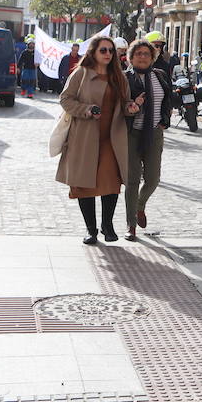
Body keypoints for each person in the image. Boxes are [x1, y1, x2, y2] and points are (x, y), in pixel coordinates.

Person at [56, 36, 137, 245]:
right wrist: (86, 110)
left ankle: (107, 225)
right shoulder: (81, 74)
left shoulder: (119, 77)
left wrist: (131, 107)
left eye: (111, 50)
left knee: (111, 183)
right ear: (93, 52)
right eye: (103, 50)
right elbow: (65, 99)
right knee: (84, 183)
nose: (108, 54)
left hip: (112, 138)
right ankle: (90, 229)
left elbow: (125, 102)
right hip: (84, 137)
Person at [123, 40, 175, 241]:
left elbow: (167, 100)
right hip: (131, 134)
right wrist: (131, 106)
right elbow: (118, 102)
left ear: (152, 57)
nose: (142, 57)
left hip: (154, 133)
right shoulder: (125, 78)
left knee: (153, 179)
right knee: (132, 181)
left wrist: (164, 121)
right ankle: (131, 224)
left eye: (146, 53)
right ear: (131, 57)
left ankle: (140, 206)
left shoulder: (160, 76)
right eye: (138, 54)